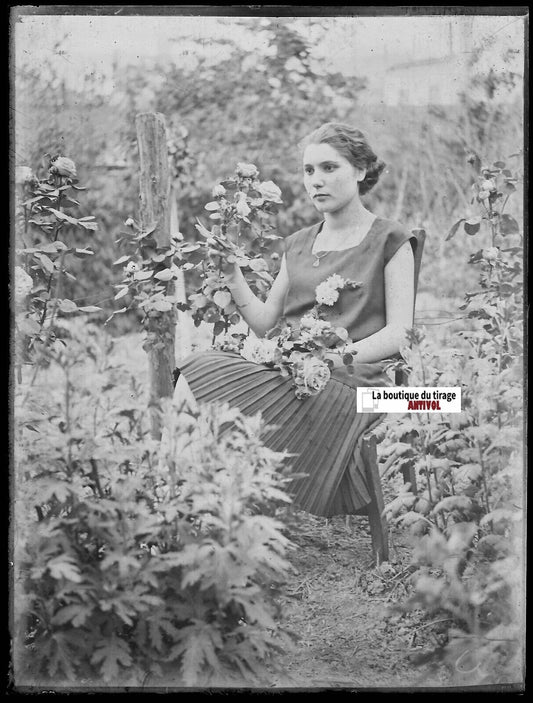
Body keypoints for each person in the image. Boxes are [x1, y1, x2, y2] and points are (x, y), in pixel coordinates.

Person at [173, 122, 416, 517]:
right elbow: (267, 323)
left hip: (357, 388)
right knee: (196, 372)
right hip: (291, 376)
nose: (316, 181)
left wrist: (329, 361)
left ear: (360, 171)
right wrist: (233, 278)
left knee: (202, 373)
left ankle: (206, 509)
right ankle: (182, 504)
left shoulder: (390, 239)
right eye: (308, 171)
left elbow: (400, 333)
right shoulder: (299, 243)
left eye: (329, 168)